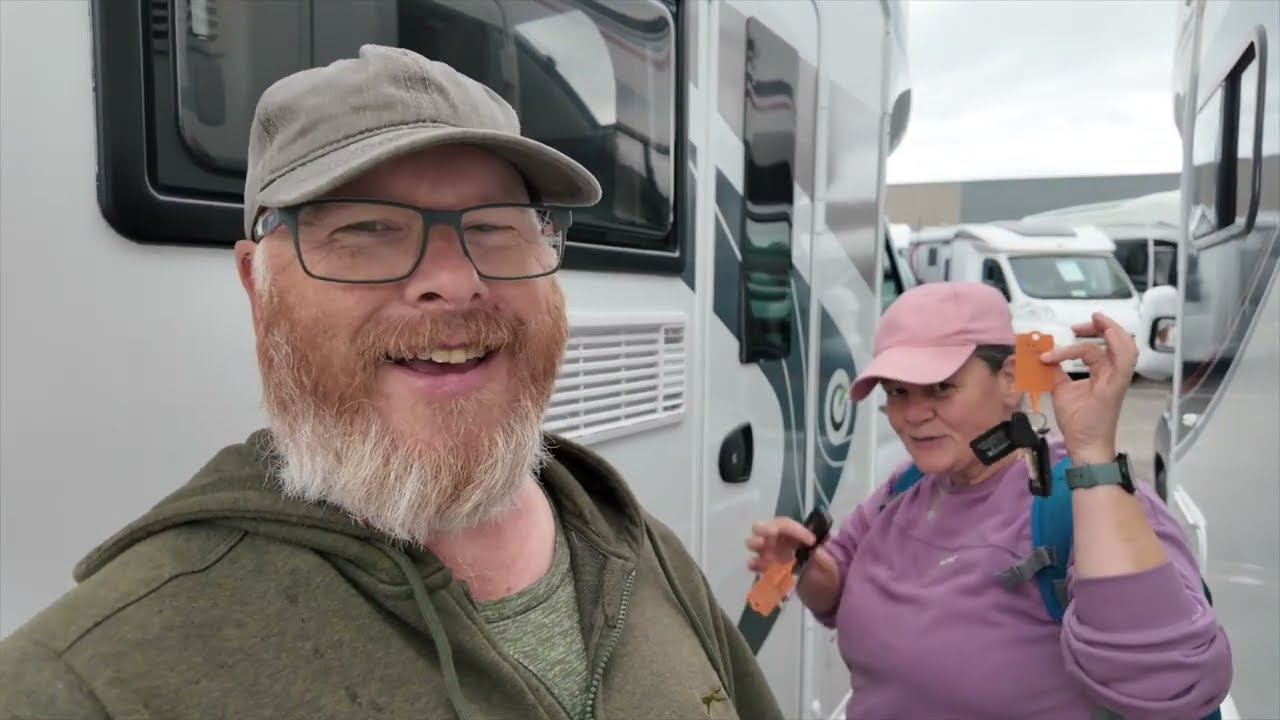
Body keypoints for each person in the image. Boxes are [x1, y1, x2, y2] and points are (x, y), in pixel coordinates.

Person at [0, 45, 783, 720]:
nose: (456, 280)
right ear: (257, 289)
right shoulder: (87, 682)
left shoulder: (634, 546)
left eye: (494, 227)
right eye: (368, 230)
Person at [746, 282, 1232, 720]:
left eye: (941, 387)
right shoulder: (905, 487)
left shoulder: (1079, 500)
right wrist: (806, 567)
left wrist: (1093, 453)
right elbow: (839, 596)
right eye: (897, 391)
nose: (913, 414)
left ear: (1011, 379)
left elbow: (1171, 683)